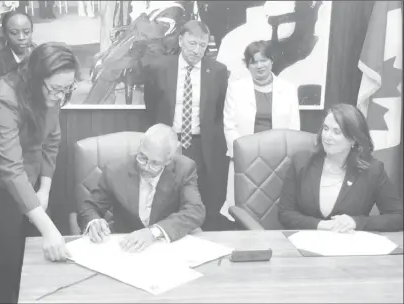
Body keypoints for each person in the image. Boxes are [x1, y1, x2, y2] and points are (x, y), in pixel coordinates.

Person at [0, 42, 79, 303]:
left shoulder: (52, 92)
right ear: (36, 77)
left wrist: (44, 190)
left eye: (67, 89)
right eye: (56, 89)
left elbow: (51, 141)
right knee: (6, 267)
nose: (61, 97)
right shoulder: (1, 99)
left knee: (31, 263)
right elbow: (11, 170)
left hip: (28, 184)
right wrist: (49, 229)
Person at [143, 20, 230, 231]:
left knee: (202, 194)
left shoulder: (217, 71)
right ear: (181, 40)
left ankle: (203, 236)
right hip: (169, 142)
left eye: (202, 45)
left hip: (202, 144)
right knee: (166, 191)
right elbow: (151, 106)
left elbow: (219, 111)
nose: (197, 50)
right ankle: (166, 232)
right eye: (192, 43)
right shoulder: (159, 68)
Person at [78, 124, 205, 251]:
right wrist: (94, 222)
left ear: (168, 160)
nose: (145, 167)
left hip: (165, 244)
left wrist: (153, 233)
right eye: (142, 157)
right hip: (126, 245)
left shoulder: (184, 168)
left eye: (155, 163)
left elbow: (195, 211)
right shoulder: (115, 170)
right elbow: (89, 207)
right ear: (139, 147)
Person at [278, 104, 403, 232]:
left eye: (336, 132)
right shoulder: (302, 161)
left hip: (349, 246)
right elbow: (285, 213)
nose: (327, 136)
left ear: (353, 139)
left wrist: (356, 222)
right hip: (304, 245)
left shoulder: (372, 170)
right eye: (326, 129)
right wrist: (320, 225)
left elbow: (397, 217)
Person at [220, 40, 300, 221]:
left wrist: (284, 158)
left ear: (272, 61)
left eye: (263, 60)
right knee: (243, 210)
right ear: (248, 66)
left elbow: (294, 129)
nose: (259, 66)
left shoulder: (288, 89)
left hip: (278, 160)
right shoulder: (236, 88)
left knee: (273, 209)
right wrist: (243, 155)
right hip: (245, 160)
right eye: (253, 62)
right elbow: (230, 125)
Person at [0, 11, 35, 95]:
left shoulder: (39, 58)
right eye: (14, 33)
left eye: (26, 32)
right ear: (5, 34)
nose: (21, 37)